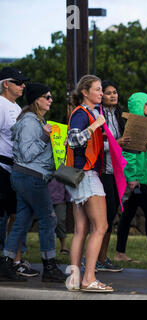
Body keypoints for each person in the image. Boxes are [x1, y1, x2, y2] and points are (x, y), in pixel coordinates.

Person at [1, 82, 67, 283]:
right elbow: (28, 153)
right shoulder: (30, 121)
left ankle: (6, 262)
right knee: (49, 219)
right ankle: (49, 266)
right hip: (31, 177)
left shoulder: (34, 120)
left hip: (25, 176)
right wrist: (45, 137)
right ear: (36, 99)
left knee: (22, 220)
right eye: (47, 97)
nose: (50, 100)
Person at [65, 75, 112, 292]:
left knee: (81, 229)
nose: (101, 93)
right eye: (98, 89)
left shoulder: (88, 113)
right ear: (85, 92)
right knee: (100, 227)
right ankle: (89, 279)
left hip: (79, 176)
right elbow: (73, 140)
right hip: (86, 176)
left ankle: (75, 277)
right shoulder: (82, 114)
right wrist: (95, 126)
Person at [0, 67, 41, 280]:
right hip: (2, 168)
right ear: (6, 83)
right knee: (12, 215)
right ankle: (11, 261)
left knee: (18, 215)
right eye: (18, 82)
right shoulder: (0, 105)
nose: (23, 85)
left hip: (15, 168)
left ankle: (14, 261)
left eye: (23, 82)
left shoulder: (15, 107)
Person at [115, 92, 147, 264]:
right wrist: (132, 178)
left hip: (139, 179)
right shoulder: (135, 125)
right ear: (139, 105)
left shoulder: (141, 125)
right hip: (136, 181)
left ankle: (119, 253)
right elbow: (129, 156)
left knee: (128, 215)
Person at [93, 80, 129, 272]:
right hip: (102, 172)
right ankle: (94, 259)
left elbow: (120, 145)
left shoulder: (117, 115)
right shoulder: (96, 115)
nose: (113, 95)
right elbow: (96, 146)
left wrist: (138, 144)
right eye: (108, 93)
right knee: (103, 219)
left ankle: (102, 258)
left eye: (115, 92)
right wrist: (118, 143)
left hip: (116, 172)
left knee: (111, 215)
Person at [48, 178, 70, 255]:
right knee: (47, 225)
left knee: (60, 221)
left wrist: (68, 197)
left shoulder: (61, 166)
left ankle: (63, 247)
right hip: (45, 199)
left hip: (60, 200)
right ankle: (48, 249)